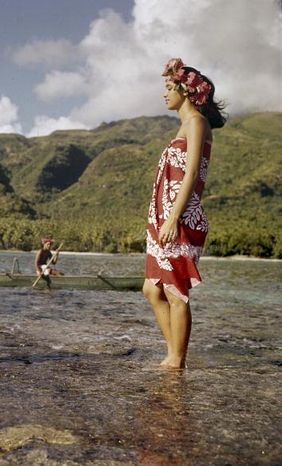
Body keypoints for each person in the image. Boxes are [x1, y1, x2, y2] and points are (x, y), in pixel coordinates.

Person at [143, 58, 226, 369]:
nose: (165, 94)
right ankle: (173, 352)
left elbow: (190, 174)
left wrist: (174, 217)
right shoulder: (184, 125)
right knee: (152, 289)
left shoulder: (197, 123)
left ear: (186, 92)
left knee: (175, 291)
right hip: (163, 216)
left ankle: (176, 359)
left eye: (169, 88)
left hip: (180, 217)